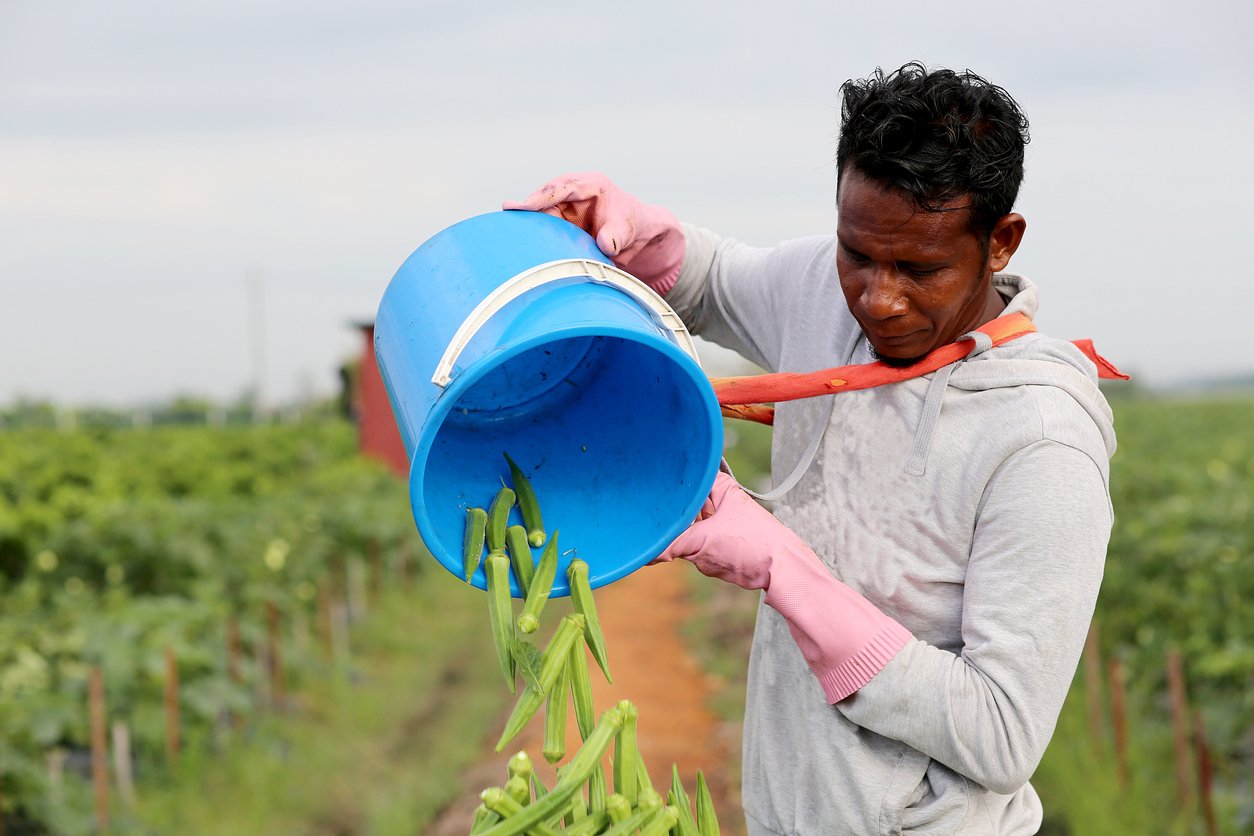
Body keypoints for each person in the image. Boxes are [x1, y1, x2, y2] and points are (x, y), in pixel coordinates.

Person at [505, 63, 1116, 836]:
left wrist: (784, 570)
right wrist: (636, 232)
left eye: (920, 270)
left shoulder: (1041, 442)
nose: (878, 298)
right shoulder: (826, 292)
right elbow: (718, 279)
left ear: (1000, 242)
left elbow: (1000, 734)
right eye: (857, 254)